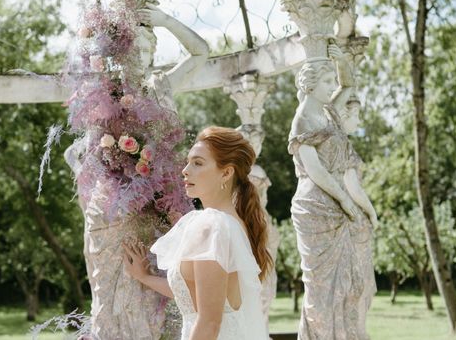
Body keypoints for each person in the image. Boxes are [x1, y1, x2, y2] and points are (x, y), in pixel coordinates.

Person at [80, 0, 209, 340]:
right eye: (135, 49)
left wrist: (167, 20)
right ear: (123, 53)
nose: (142, 56)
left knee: (159, 293)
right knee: (115, 293)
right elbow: (94, 153)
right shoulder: (108, 92)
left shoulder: (161, 85)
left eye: (149, 48)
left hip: (162, 201)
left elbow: (201, 53)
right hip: (115, 206)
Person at [123, 126, 272, 340]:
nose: (185, 170)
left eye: (198, 163)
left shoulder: (211, 225)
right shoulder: (232, 223)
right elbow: (197, 294)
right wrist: (144, 277)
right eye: (188, 161)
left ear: (226, 172)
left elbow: (209, 322)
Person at [288, 45, 376, 340]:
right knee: (321, 286)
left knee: (350, 282)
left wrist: (339, 60)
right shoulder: (304, 120)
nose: (332, 87)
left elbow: (348, 84)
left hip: (338, 205)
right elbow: (316, 171)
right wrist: (345, 200)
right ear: (310, 85)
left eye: (330, 82)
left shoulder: (329, 112)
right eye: (326, 83)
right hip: (316, 207)